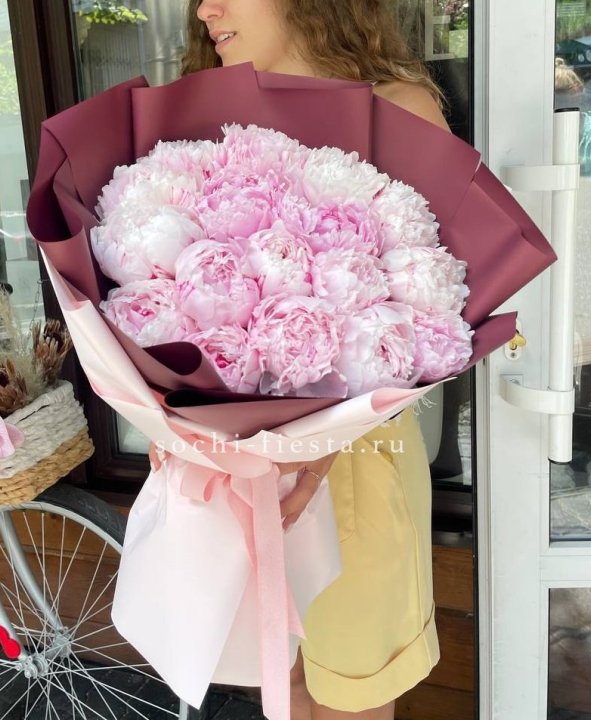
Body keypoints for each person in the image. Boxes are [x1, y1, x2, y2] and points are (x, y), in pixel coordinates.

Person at [183, 2, 449, 719]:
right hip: (239, 475)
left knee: (348, 698)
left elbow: (440, 311)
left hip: (357, 464)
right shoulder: (211, 123)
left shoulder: (397, 109)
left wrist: (324, 438)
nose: (204, 9)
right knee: (283, 685)